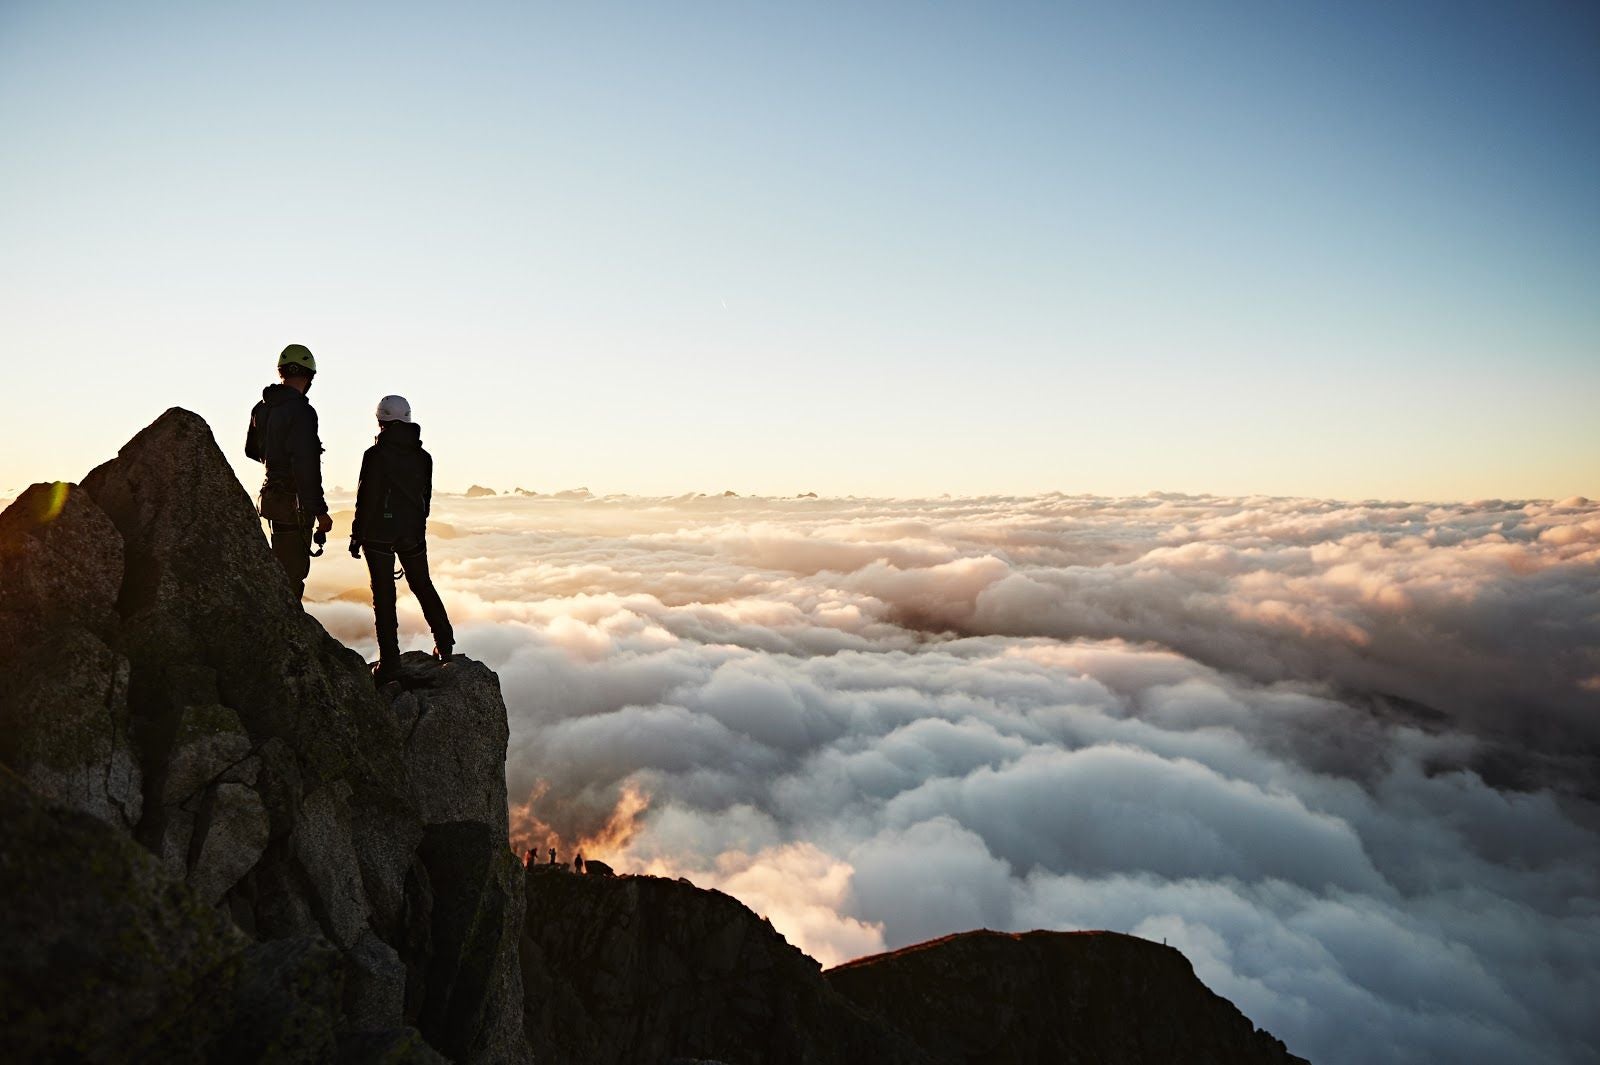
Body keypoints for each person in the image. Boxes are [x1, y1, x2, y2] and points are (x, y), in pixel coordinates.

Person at [350, 395, 455, 684]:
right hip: (412, 533)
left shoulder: (374, 456)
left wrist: (357, 535)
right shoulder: (423, 458)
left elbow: (366, 499)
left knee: (384, 596)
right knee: (422, 584)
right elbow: (426, 499)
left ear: (380, 421)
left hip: (378, 535)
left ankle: (390, 663)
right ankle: (445, 645)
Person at [246, 344, 332, 601]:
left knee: (278, 563)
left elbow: (251, 450)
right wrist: (320, 511)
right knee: (292, 573)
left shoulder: (261, 408)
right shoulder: (303, 412)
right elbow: (305, 465)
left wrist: (273, 459)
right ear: (309, 376)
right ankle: (286, 634)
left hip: (270, 497)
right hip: (293, 502)